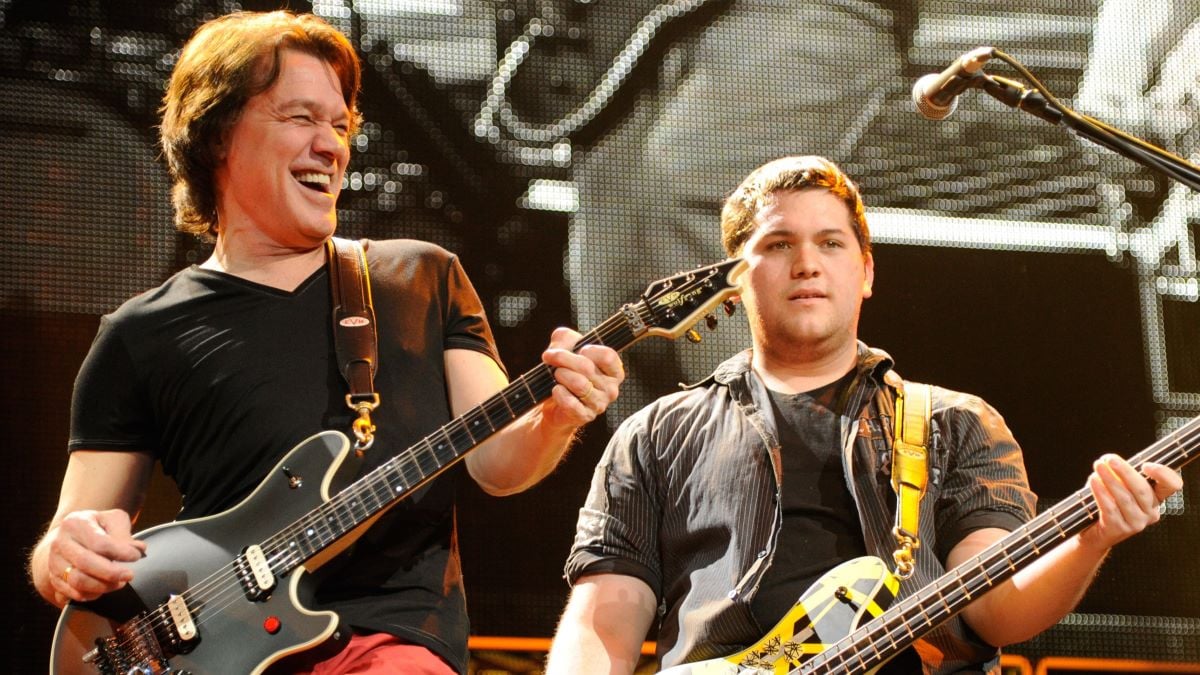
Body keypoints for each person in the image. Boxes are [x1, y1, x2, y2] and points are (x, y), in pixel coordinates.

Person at [28, 11, 623, 675]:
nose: (332, 145)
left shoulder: (419, 276)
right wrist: (66, 554)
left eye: (339, 126)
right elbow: (69, 534)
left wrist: (556, 417)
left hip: (387, 643)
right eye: (300, 118)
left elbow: (495, 462)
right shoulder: (140, 331)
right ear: (217, 133)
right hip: (209, 650)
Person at [545, 155, 1182, 674]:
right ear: (735, 281)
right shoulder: (656, 434)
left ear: (866, 271)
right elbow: (605, 616)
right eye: (777, 244)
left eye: (830, 243)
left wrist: (1094, 537)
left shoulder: (954, 423)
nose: (806, 263)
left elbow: (996, 611)